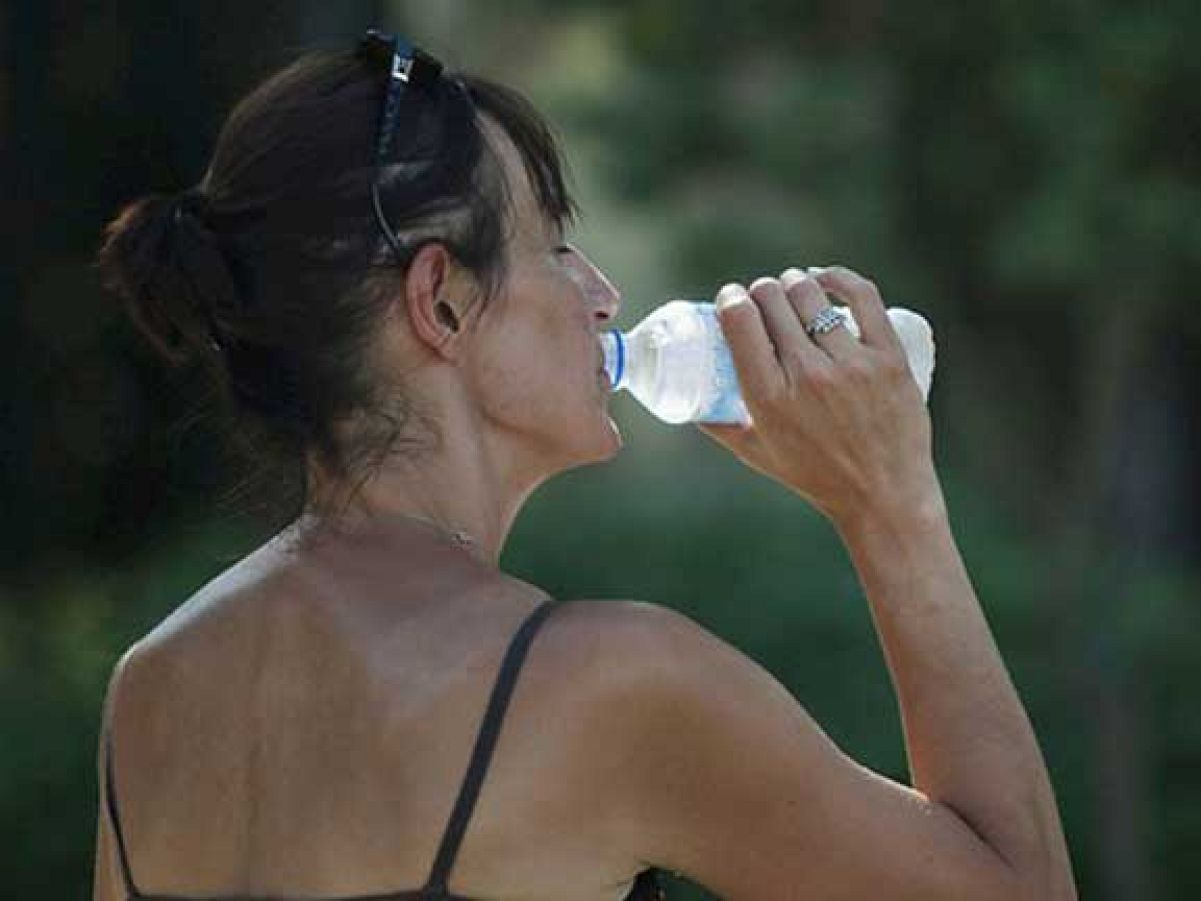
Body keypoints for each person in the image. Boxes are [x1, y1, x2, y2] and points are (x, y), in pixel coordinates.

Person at [92, 30, 1077, 901]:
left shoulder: (153, 686)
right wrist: (892, 505)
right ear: (441, 301)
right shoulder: (607, 684)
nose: (602, 294)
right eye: (555, 247)